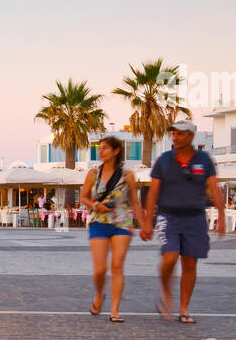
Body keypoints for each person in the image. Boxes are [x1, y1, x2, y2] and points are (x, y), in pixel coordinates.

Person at [141, 119, 224, 323]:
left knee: (189, 264)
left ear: (191, 136)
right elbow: (153, 192)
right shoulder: (164, 160)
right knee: (170, 257)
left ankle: (184, 308)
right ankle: (166, 292)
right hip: (168, 216)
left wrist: (221, 215)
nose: (175, 137)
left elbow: (214, 188)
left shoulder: (204, 160)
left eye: (180, 133)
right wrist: (147, 221)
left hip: (195, 218)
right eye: (173, 134)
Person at [81, 136, 144, 323]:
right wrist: (95, 206)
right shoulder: (93, 173)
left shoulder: (128, 175)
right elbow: (83, 198)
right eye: (99, 148)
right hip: (99, 222)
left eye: (105, 148)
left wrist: (144, 225)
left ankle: (115, 310)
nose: (100, 151)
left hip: (122, 223)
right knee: (100, 270)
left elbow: (134, 202)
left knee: (117, 266)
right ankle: (99, 295)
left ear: (116, 151)